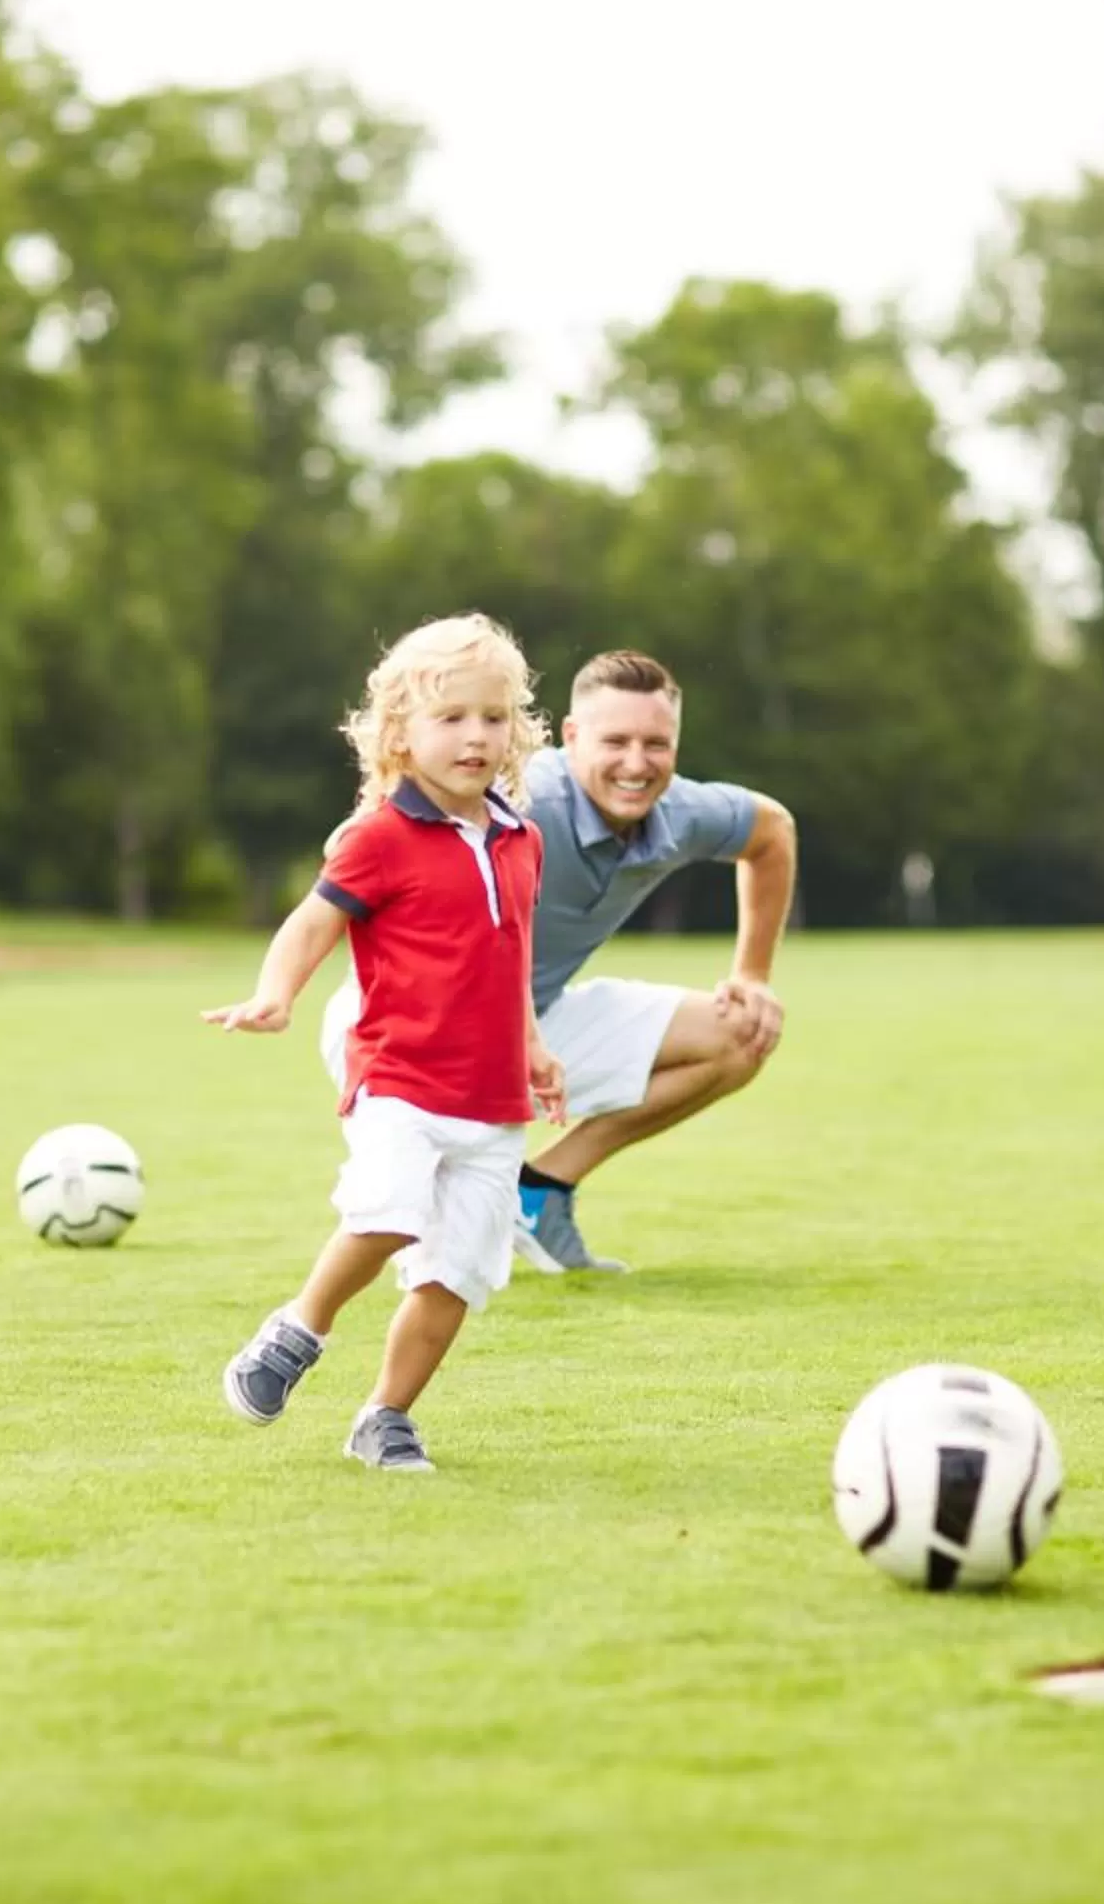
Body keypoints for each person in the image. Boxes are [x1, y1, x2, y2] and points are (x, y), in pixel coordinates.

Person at [205, 615, 566, 1472]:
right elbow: (310, 924)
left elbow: (510, 956)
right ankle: (298, 1330)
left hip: (492, 1104)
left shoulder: (523, 838)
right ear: (400, 733)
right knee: (389, 1213)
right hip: (400, 1080)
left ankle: (385, 1416)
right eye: (451, 718)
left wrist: (535, 1048)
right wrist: (274, 994)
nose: (475, 736)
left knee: (455, 1279)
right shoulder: (379, 838)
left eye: (493, 716)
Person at [321, 649, 794, 1272]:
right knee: (429, 1250)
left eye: (656, 743)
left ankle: (540, 1189)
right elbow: (360, 841)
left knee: (741, 1033)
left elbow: (772, 830)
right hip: (404, 1034)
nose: (636, 763)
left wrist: (751, 975)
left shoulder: (682, 812)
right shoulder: (518, 798)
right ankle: (310, 1323)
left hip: (532, 1027)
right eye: (615, 740)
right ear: (572, 737)